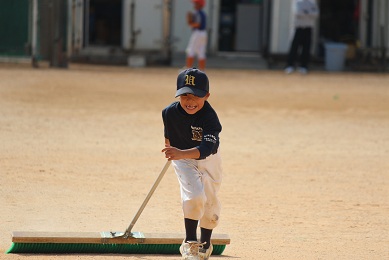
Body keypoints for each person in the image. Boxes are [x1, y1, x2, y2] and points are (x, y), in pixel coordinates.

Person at [162, 68, 222, 260]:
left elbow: (206, 149)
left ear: (207, 95)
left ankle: (205, 244)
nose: (190, 101)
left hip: (208, 159)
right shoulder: (169, 113)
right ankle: (189, 244)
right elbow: (169, 137)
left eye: (196, 96)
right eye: (185, 95)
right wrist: (173, 152)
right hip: (183, 160)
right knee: (194, 196)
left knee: (210, 202)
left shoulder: (210, 118)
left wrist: (180, 152)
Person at [285, 0, 319, 74]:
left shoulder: (312, 2)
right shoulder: (297, 1)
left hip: (308, 28)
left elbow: (316, 14)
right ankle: (290, 66)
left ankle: (303, 67)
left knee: (306, 48)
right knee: (294, 47)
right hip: (298, 28)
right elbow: (297, 13)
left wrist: (305, 12)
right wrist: (309, 13)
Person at [185, 0, 207, 71]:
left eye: (196, 3)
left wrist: (190, 23)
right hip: (203, 33)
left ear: (200, 4)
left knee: (191, 50)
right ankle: (202, 71)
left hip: (197, 33)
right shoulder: (203, 13)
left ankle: (187, 69)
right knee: (201, 52)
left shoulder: (197, 13)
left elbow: (197, 24)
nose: (194, 4)